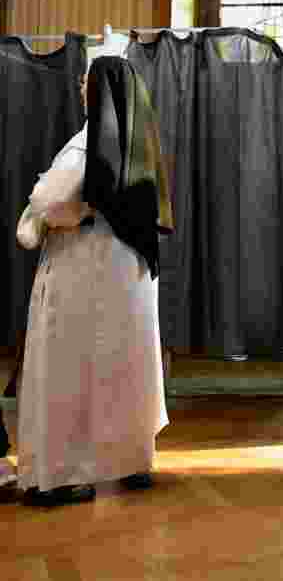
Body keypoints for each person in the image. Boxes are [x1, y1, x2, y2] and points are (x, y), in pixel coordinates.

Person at [15, 56, 172, 507]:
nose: (82, 87)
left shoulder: (88, 144)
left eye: (89, 81)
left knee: (68, 365)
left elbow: (50, 202)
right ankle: (128, 461)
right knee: (123, 365)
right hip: (129, 272)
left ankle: (58, 473)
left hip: (84, 266)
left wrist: (33, 218)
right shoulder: (140, 143)